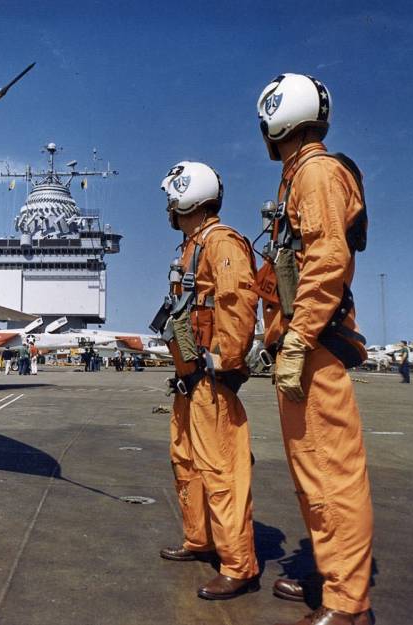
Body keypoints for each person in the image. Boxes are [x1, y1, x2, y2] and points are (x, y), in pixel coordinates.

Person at [256, 73, 374, 625]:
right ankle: (330, 573)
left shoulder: (317, 175)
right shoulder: (298, 177)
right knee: (312, 471)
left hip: (315, 343)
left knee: (331, 472)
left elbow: (328, 258)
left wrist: (299, 337)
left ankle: (348, 604)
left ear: (276, 120)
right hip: (299, 342)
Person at [155, 160, 260, 599]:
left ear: (187, 197)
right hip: (188, 380)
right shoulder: (192, 247)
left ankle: (238, 564)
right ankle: (200, 539)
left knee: (220, 468)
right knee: (186, 460)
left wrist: (227, 363)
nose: (168, 208)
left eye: (171, 198)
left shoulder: (222, 243)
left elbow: (237, 302)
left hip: (209, 380)